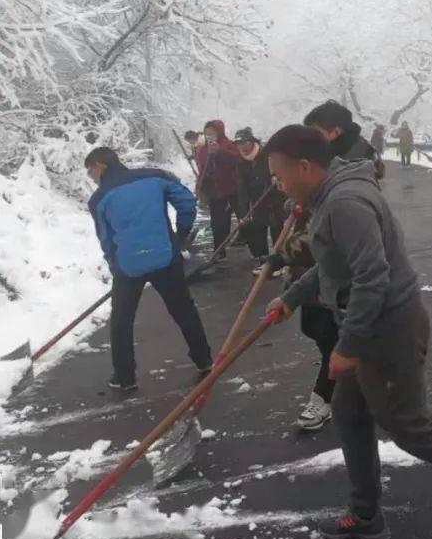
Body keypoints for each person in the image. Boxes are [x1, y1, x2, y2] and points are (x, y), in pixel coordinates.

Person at [263, 126, 432, 539]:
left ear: (306, 167)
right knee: (350, 414)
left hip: (388, 327)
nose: (278, 186)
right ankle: (366, 514)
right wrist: (292, 297)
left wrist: (348, 347)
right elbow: (337, 265)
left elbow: (372, 278)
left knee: (407, 424)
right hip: (366, 323)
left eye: (279, 175)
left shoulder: (345, 203)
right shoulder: (331, 197)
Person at [85, 147, 213, 392]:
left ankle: (125, 377)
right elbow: (187, 203)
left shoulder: (99, 199)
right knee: (184, 309)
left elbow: (105, 237)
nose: (91, 177)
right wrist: (181, 235)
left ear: (101, 165)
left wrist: (115, 264)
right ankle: (204, 360)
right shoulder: (155, 176)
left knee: (122, 321)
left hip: (128, 266)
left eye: (90, 170)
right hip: (166, 257)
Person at [274, 201, 337, 431]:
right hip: (306, 286)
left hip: (331, 290)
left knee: (333, 343)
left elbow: (315, 244)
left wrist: (284, 253)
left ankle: (323, 398)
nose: (279, 181)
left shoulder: (335, 201)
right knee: (316, 332)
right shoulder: (301, 199)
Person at [234, 127, 287, 268]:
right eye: (239, 145)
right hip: (257, 201)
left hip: (274, 197)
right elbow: (241, 187)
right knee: (258, 231)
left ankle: (279, 263)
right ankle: (264, 262)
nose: (242, 148)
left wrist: (276, 176)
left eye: (244, 143)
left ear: (252, 142)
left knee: (277, 229)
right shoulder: (240, 162)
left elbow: (281, 168)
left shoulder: (267, 154)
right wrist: (244, 211)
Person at [195, 119, 244, 257]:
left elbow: (238, 160)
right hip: (214, 189)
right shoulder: (202, 149)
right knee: (218, 222)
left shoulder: (228, 145)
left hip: (232, 188)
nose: (210, 135)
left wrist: (220, 151)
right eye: (207, 133)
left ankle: (251, 244)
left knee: (244, 216)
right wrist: (199, 186)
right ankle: (219, 250)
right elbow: (203, 169)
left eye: (212, 132)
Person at [304, 100, 385, 179]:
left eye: (316, 132)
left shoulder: (352, 162)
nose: (310, 137)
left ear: (336, 132)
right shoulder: (346, 147)